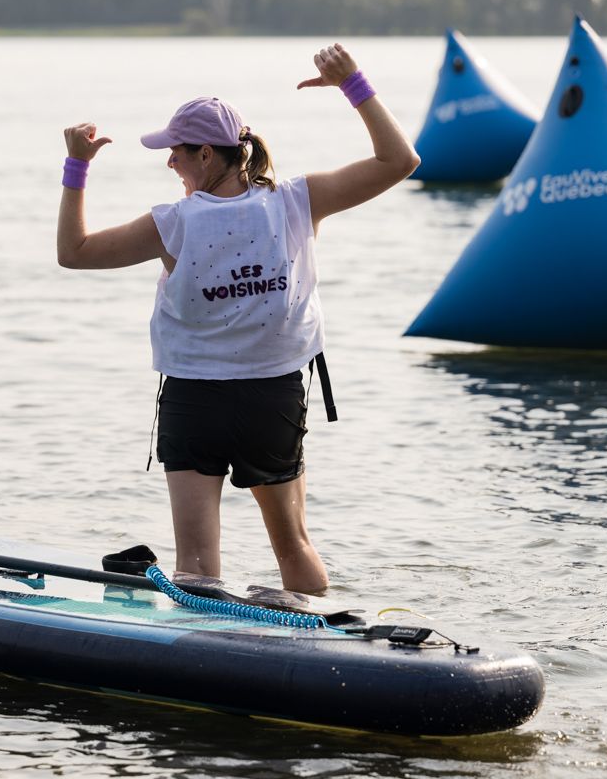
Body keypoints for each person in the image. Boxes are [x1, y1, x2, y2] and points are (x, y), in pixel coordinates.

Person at [56, 44, 419, 594]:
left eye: (176, 151)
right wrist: (354, 85)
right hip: (270, 399)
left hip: (193, 399)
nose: (170, 161)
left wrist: (77, 166)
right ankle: (318, 658)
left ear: (207, 154)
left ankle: (203, 667)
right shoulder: (297, 201)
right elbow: (400, 161)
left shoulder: (172, 223)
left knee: (196, 565)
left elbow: (74, 251)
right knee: (294, 546)